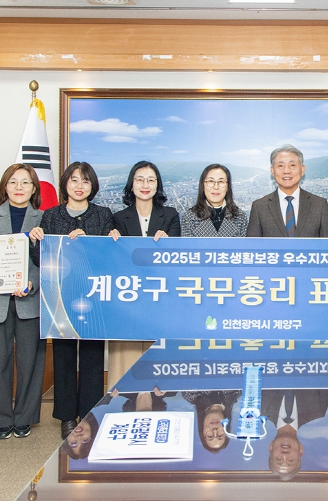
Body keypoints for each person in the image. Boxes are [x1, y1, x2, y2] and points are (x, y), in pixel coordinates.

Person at [30, 161, 114, 439]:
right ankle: (66, 416)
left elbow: (108, 257)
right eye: (74, 180)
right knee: (63, 356)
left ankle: (89, 414)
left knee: (92, 358)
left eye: (85, 181)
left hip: (93, 296)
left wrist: (89, 241)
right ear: (65, 184)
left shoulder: (103, 215)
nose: (79, 186)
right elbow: (41, 260)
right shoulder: (51, 215)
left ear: (93, 186)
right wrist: (36, 240)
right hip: (61, 296)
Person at [0, 163, 45, 440]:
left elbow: (50, 261)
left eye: (25, 182)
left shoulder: (44, 218)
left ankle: (24, 417)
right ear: (5, 186)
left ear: (34, 188)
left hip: (30, 301)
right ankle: (0, 419)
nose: (19, 187)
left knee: (30, 363)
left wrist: (31, 282)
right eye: (13, 182)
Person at [107, 160, 180, 388]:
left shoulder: (170, 215)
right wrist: (110, 241)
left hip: (160, 298)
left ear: (158, 185)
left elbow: (176, 258)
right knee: (125, 359)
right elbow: (115, 260)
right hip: (129, 299)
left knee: (157, 363)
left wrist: (168, 243)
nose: (145, 185)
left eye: (151, 180)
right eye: (140, 180)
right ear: (131, 184)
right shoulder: (119, 218)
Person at [246, 145, 328, 237]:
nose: (286, 171)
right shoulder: (259, 207)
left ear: (302, 169)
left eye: (292, 165)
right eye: (280, 166)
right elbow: (252, 245)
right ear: (272, 171)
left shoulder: (319, 205)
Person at [262, 389, 328, 481]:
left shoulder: (260, 407)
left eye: (278, 459)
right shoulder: (318, 409)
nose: (285, 455)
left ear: (271, 447)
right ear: (301, 450)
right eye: (291, 460)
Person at [180, 163, 248, 237]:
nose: (216, 187)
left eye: (221, 182)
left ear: (227, 187)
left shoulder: (240, 217)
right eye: (211, 181)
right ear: (203, 185)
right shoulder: (190, 217)